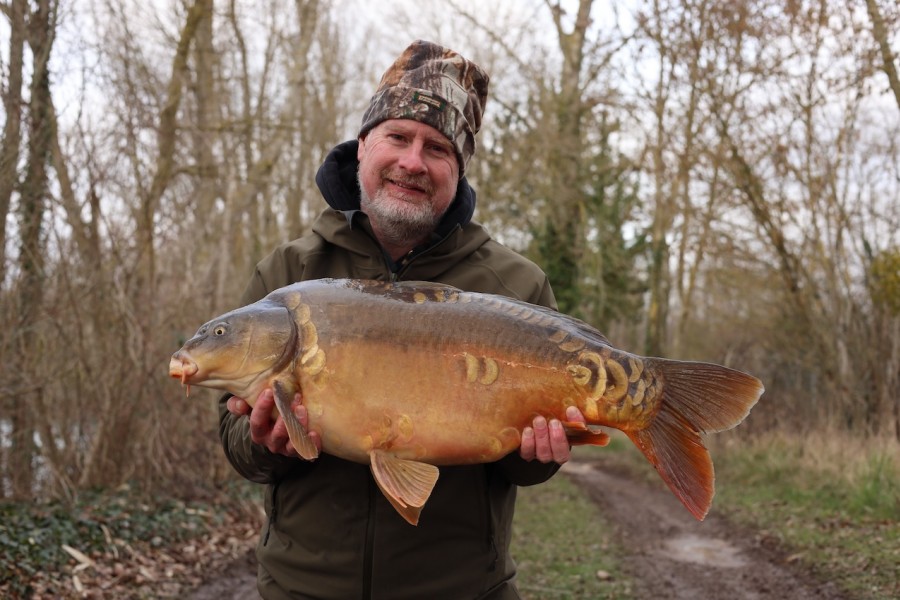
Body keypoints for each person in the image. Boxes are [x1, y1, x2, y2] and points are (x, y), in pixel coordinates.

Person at [220, 40, 586, 600]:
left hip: (462, 590)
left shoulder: (517, 287)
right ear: (363, 145)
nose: (413, 162)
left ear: (457, 171)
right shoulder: (290, 273)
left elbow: (522, 469)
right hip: (303, 588)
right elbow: (233, 440)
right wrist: (262, 440)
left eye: (437, 148)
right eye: (398, 137)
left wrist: (538, 455)